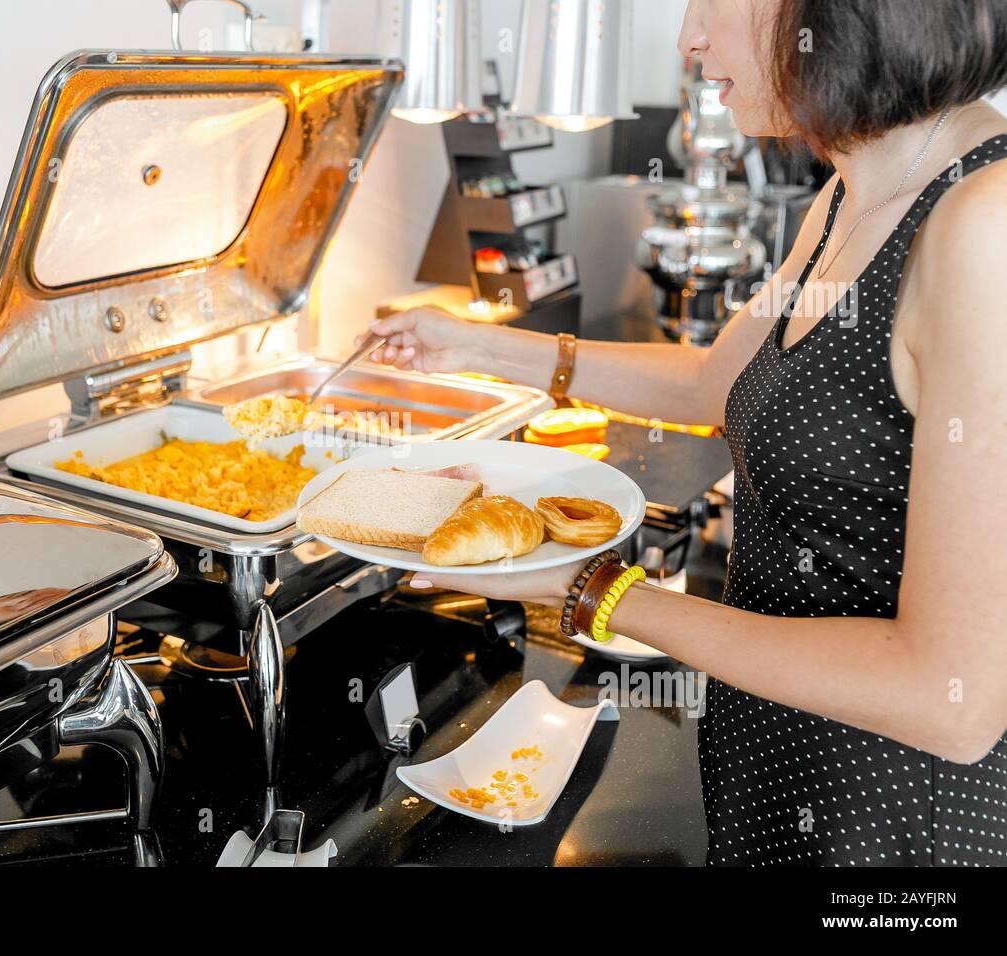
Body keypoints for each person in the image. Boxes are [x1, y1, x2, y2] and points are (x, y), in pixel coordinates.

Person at [361, 0, 1007, 865]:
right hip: (772, 770)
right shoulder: (850, 194)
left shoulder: (983, 222)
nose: (688, 37)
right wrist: (475, 346)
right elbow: (715, 382)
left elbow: (952, 703)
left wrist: (597, 591)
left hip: (889, 829)